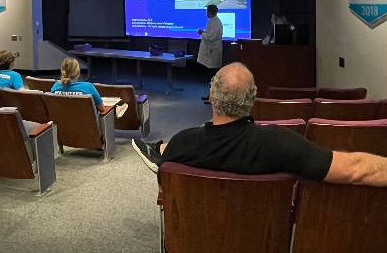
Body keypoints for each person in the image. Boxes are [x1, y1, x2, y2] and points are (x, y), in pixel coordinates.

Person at [133, 62, 387, 187]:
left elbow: (164, 157)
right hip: (265, 247)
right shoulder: (279, 142)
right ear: (253, 99)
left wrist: (163, 148)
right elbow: (357, 169)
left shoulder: (184, 143)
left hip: (196, 246)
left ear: (211, 96)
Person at [197, 4, 223, 103]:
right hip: (212, 51)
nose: (206, 13)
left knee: (213, 75)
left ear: (211, 12)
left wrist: (202, 33)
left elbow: (211, 37)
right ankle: (211, 96)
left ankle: (213, 97)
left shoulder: (216, 22)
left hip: (213, 51)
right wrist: (204, 33)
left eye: (207, 11)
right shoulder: (213, 22)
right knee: (211, 75)